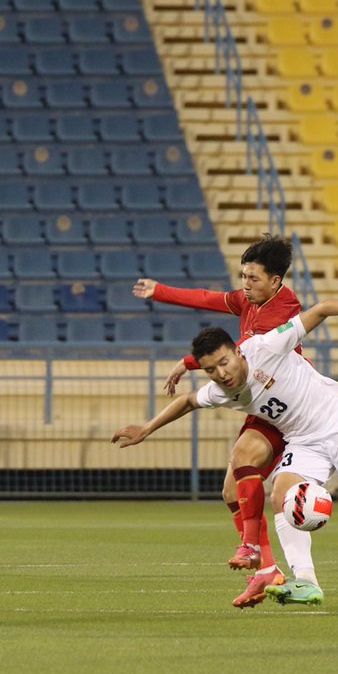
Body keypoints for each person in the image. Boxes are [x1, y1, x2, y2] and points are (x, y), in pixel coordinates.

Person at [112, 294, 338, 608]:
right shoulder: (220, 391)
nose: (221, 373)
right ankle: (306, 581)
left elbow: (318, 311)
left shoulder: (267, 346)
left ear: (239, 352)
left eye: (224, 362)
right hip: (304, 440)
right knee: (280, 497)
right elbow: (187, 401)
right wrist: (145, 429)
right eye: (211, 370)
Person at [133, 235, 302, 605]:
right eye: (243, 276)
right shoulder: (251, 299)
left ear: (275, 281)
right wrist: (160, 291)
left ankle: (257, 553)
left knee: (245, 463)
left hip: (286, 405)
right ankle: (268, 570)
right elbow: (206, 299)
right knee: (230, 493)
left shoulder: (283, 309)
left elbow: (240, 354)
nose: (245, 284)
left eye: (253, 278)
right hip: (262, 405)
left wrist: (191, 362)